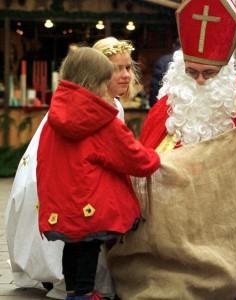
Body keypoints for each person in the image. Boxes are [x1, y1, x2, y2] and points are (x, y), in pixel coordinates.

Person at [107, 1, 236, 299]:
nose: (199, 81)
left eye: (208, 73)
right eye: (192, 72)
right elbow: (146, 157)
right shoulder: (169, 105)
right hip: (178, 220)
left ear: (224, 72)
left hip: (231, 218)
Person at [5, 37, 144, 299]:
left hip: (71, 189)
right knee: (87, 243)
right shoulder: (100, 110)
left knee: (76, 243)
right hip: (77, 191)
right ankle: (80, 289)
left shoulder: (94, 104)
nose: (125, 75)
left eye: (128, 67)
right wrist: (151, 162)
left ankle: (75, 289)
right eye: (117, 68)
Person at [36, 47, 160, 300]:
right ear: (98, 82)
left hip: (63, 198)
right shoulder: (102, 120)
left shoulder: (55, 115)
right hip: (92, 202)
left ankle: (75, 292)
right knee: (89, 249)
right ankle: (82, 295)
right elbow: (134, 158)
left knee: (72, 247)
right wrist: (157, 157)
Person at [148, 38, 180, 107]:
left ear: (173, 45)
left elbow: (155, 88)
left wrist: (154, 107)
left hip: (165, 106)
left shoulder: (162, 61)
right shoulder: (194, 61)